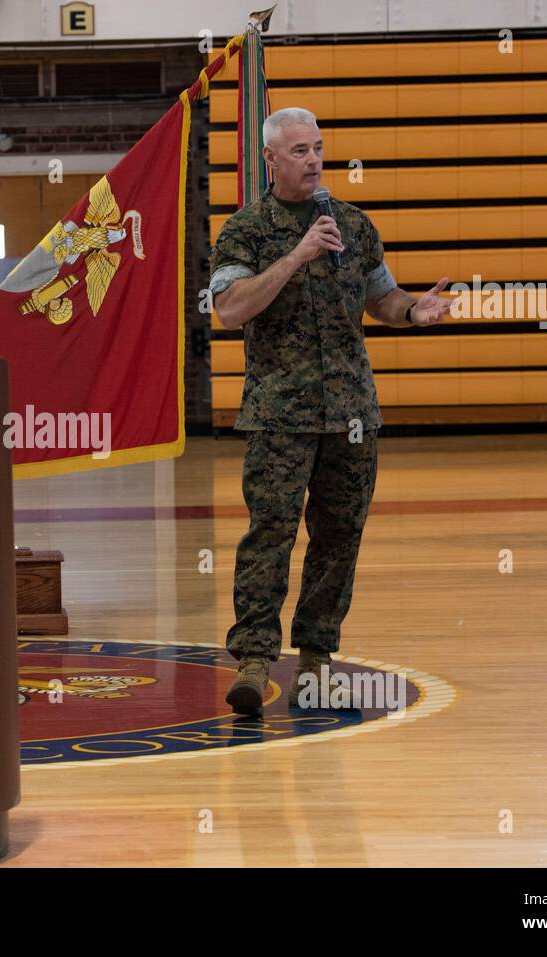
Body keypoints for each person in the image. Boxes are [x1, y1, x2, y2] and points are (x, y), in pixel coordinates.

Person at [210, 107, 451, 716]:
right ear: (270, 158)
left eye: (318, 148)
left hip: (351, 413)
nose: (314, 160)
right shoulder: (247, 229)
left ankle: (317, 660)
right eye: (299, 150)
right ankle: (256, 660)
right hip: (280, 414)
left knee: (339, 537)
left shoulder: (352, 223)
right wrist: (294, 256)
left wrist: (411, 312)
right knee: (271, 534)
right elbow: (231, 310)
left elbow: (382, 296)